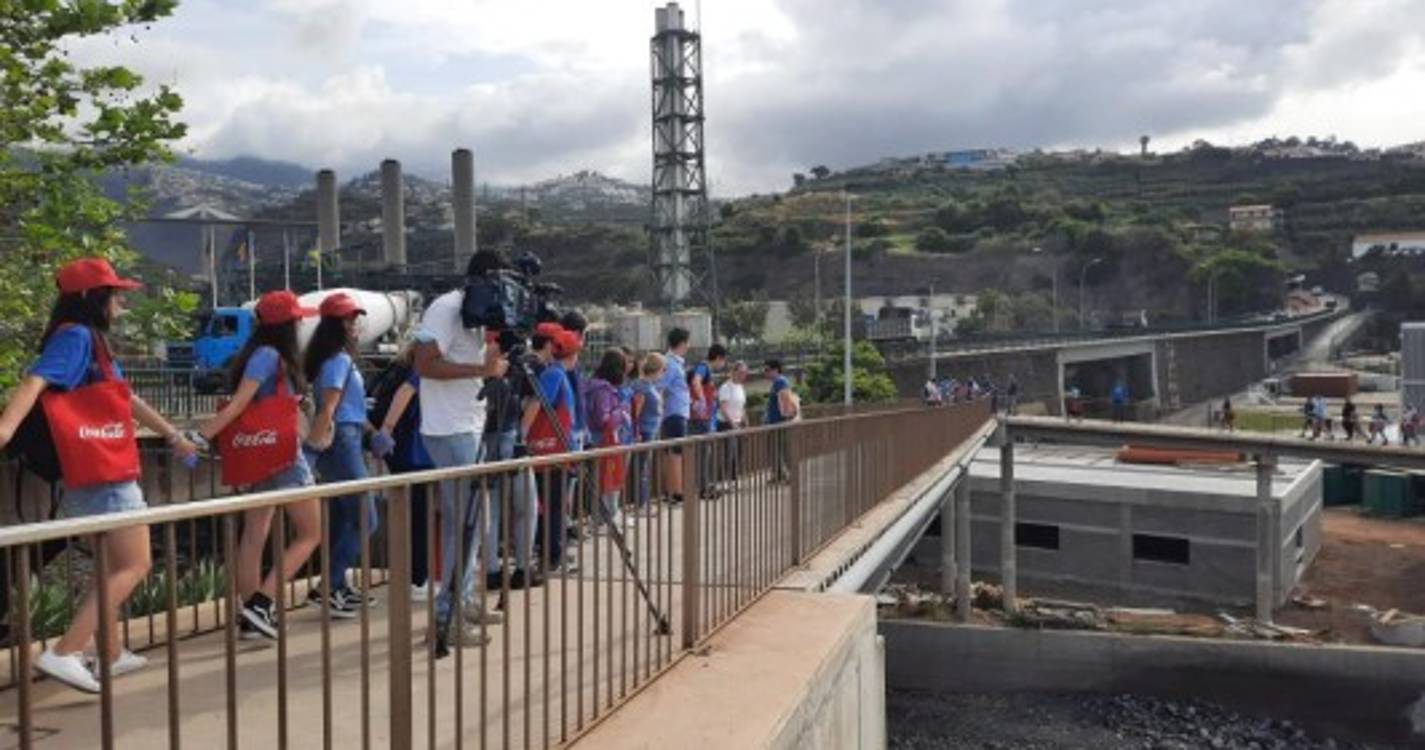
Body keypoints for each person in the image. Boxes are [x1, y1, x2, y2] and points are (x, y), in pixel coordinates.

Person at [0, 258, 197, 692]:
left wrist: (172, 436)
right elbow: (35, 382)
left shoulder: (91, 343)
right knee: (136, 562)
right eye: (115, 294)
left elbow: (124, 399)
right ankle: (65, 652)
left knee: (111, 565)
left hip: (92, 473)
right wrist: (5, 428)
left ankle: (108, 654)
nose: (121, 302)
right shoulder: (76, 337)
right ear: (94, 298)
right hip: (104, 474)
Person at [197, 290, 322, 639]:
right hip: (282, 454)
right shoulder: (271, 357)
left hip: (258, 454)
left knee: (254, 533)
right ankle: (261, 604)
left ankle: (250, 613)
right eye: (297, 319)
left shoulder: (258, 354)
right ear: (287, 325)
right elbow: (238, 405)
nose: (301, 323)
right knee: (311, 533)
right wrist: (201, 436)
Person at [414, 251, 510, 649]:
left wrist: (492, 357)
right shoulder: (447, 308)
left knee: (474, 521)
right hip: (449, 429)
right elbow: (423, 363)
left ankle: (463, 598)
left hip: (468, 425)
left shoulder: (474, 313)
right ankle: (445, 616)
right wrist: (481, 372)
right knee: (465, 525)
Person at [303, 293, 379, 619]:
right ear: (337, 326)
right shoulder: (339, 360)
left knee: (344, 516)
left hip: (346, 436)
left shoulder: (328, 358)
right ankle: (330, 585)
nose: (355, 326)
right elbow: (330, 407)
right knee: (366, 516)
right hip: (342, 440)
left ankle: (335, 584)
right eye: (349, 320)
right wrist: (312, 448)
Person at [369, 344, 436, 599]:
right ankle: (417, 580)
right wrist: (387, 428)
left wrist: (386, 432)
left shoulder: (398, 367)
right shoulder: (423, 370)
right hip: (416, 451)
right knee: (419, 518)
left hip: (399, 450)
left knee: (407, 516)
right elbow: (407, 391)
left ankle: (409, 576)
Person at [477, 340, 540, 590]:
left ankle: (492, 569)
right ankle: (522, 568)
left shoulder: (476, 366)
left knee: (490, 508)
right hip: (507, 439)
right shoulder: (510, 369)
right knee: (525, 506)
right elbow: (535, 400)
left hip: (486, 440)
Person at [526, 327, 581, 573]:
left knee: (552, 505)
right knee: (554, 505)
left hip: (553, 450)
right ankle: (552, 556)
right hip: (553, 450)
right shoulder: (555, 375)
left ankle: (551, 554)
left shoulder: (554, 374)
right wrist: (522, 433)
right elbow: (538, 403)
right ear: (572, 355)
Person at [587, 349, 632, 528]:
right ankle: (604, 517)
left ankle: (606, 515)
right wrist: (621, 413)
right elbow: (602, 418)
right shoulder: (603, 389)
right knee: (606, 480)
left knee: (604, 479)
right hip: (604, 439)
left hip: (602, 439)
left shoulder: (594, 385)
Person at [657, 328, 692, 503]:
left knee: (672, 452)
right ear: (682, 343)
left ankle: (672, 490)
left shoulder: (673, 362)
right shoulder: (671, 363)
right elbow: (660, 385)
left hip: (675, 412)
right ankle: (676, 492)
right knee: (675, 452)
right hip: (675, 413)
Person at [631, 353, 665, 508]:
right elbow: (636, 412)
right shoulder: (641, 386)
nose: (663, 373)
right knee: (641, 467)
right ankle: (641, 502)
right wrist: (636, 431)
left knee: (644, 466)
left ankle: (642, 501)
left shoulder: (649, 385)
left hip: (651, 428)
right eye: (662, 370)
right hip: (644, 430)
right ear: (656, 369)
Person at [764, 359, 798, 482]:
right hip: (775, 422)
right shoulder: (778, 382)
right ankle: (778, 474)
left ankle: (790, 474)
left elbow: (785, 399)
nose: (765, 373)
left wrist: (786, 415)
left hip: (779, 422)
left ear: (775, 370)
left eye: (767, 370)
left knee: (783, 449)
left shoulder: (780, 382)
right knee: (775, 448)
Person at [716, 361, 749, 482]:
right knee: (730, 452)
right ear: (733, 372)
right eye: (741, 373)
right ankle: (726, 478)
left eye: (745, 373)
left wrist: (746, 422)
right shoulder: (726, 387)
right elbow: (723, 408)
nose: (743, 376)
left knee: (738, 451)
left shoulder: (741, 387)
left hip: (738, 422)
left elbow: (742, 407)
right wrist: (732, 424)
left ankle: (733, 478)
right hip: (726, 423)